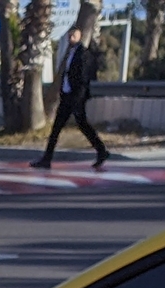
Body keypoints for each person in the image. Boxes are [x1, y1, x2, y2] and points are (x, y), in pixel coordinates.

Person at [33, 9, 110, 169]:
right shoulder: (69, 53)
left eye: (73, 36)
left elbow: (83, 78)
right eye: (69, 36)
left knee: (83, 125)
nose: (70, 38)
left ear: (79, 36)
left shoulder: (83, 54)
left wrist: (78, 97)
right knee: (56, 129)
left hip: (76, 97)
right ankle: (47, 159)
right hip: (66, 96)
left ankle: (101, 150)